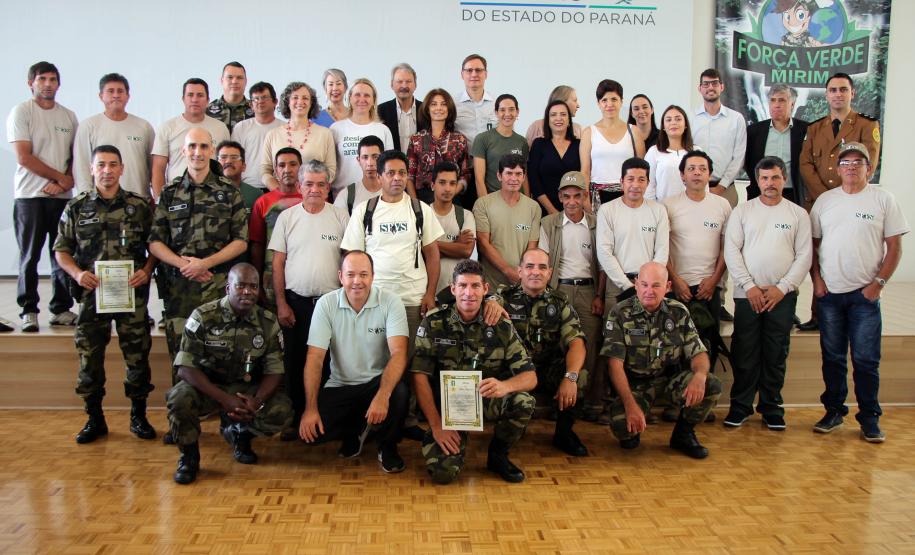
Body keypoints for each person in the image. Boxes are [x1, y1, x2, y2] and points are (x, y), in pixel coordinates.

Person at [53, 145, 157, 444]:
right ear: (92, 168)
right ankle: (94, 418)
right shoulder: (77, 207)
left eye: (113, 165)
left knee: (137, 358)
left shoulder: (138, 207)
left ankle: (139, 415)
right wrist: (76, 273)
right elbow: (61, 249)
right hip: (91, 297)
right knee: (90, 358)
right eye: (102, 165)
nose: (108, 170)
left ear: (122, 168)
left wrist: (148, 269)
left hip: (131, 296)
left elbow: (156, 245)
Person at [809, 142, 907, 443]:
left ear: (869, 167)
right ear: (838, 169)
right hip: (831, 295)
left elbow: (895, 246)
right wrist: (817, 282)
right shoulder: (825, 201)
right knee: (833, 357)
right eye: (846, 162)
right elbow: (812, 246)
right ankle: (834, 412)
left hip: (865, 296)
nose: (851, 167)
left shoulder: (883, 199)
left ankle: (869, 418)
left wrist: (879, 284)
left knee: (865, 360)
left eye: (858, 162)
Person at [412, 259, 537, 484]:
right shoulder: (434, 322)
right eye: (462, 286)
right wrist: (436, 425)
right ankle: (452, 442)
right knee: (443, 474)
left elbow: (530, 377)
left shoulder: (500, 325)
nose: (469, 293)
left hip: (482, 400)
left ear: (485, 289)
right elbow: (419, 376)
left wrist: (505, 386)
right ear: (453, 289)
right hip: (446, 407)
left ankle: (498, 455)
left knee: (523, 401)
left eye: (475, 286)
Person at [167, 263, 293, 484]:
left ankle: (240, 434)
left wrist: (257, 401)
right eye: (241, 285)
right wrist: (225, 400)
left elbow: (275, 370)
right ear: (228, 288)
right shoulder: (203, 317)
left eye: (253, 287)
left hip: (245, 390)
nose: (247, 291)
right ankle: (189, 457)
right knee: (179, 399)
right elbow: (185, 367)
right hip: (208, 387)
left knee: (282, 410)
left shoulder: (268, 322)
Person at [299, 251, 410, 474]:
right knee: (312, 436)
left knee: (399, 392)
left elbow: (399, 353)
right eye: (350, 274)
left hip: (376, 383)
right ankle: (357, 432)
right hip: (341, 386)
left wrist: (382, 395)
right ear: (340, 276)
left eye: (363, 274)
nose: (357, 281)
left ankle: (387, 446)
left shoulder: (391, 302)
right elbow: (314, 359)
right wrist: (310, 409)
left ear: (373, 276)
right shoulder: (326, 304)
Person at [148, 128, 248, 373]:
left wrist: (205, 263)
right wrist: (186, 265)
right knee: (182, 355)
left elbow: (241, 241)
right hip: (180, 288)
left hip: (218, 285)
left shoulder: (229, 192)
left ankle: (217, 406)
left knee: (220, 351)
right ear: (183, 151)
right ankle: (186, 407)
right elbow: (155, 242)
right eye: (192, 146)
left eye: (203, 146)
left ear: (212, 150)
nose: (197, 152)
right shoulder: (170, 193)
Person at [724, 156, 812, 430]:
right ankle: (740, 406)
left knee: (775, 352)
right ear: (757, 181)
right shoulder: (743, 211)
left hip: (781, 296)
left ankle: (772, 406)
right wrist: (749, 286)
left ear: (784, 179)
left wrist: (781, 288)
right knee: (745, 352)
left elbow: (804, 256)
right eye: (764, 178)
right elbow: (731, 251)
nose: (770, 183)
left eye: (775, 177)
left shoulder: (798, 214)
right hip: (746, 294)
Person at [602, 262, 721, 458]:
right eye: (645, 284)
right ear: (636, 284)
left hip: (668, 380)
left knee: (711, 384)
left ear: (667, 287)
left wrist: (699, 376)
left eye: (656, 285)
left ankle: (684, 434)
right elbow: (614, 365)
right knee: (623, 426)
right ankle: (635, 427)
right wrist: (630, 405)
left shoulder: (678, 312)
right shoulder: (620, 313)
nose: (649, 291)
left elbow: (698, 352)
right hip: (635, 385)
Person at [269, 159, 349, 440]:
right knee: (294, 362)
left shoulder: (340, 217)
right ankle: (296, 420)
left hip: (330, 305)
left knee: (330, 364)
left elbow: (348, 261)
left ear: (328, 187)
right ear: (300, 186)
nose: (315, 189)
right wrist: (281, 303)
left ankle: (325, 421)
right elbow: (277, 264)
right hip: (296, 304)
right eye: (309, 184)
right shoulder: (286, 217)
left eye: (321, 184)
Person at [798, 73, 881, 332]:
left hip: (853, 201)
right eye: (832, 90)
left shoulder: (867, 126)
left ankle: (854, 309)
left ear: (852, 93)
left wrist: (842, 193)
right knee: (819, 255)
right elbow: (805, 164)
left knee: (847, 252)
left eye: (843, 89)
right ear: (826, 94)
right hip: (820, 202)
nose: (837, 94)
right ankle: (818, 313)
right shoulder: (814, 128)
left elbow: (870, 162)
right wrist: (826, 196)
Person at [341, 150, 443, 344]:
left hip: (413, 300)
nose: (397, 178)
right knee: (376, 360)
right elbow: (351, 258)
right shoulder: (364, 210)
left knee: (412, 361)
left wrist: (430, 294)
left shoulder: (420, 209)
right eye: (390, 173)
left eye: (402, 173)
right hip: (375, 300)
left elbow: (432, 255)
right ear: (379, 177)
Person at [7, 61, 79, 331]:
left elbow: (75, 154)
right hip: (30, 196)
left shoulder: (68, 116)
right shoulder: (22, 112)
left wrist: (65, 182)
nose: (47, 84)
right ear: (31, 83)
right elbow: (24, 156)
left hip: (61, 198)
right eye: (42, 79)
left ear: (58, 84)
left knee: (61, 252)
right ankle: (28, 309)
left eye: (52, 79)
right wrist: (59, 178)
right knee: (30, 255)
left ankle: (61, 308)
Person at [496, 249, 588, 456]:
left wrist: (570, 377)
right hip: (512, 371)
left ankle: (564, 434)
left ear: (550, 272)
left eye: (542, 267)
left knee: (580, 375)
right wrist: (490, 304)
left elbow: (576, 342)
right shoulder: (502, 297)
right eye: (529, 267)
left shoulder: (559, 302)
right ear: (519, 271)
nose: (535, 272)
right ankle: (503, 438)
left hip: (546, 370)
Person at [538, 171, 606, 424]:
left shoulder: (596, 224)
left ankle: (588, 402)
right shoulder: (549, 223)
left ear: (585, 196)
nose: (572, 202)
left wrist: (599, 295)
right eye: (566, 196)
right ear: (560, 197)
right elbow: (543, 262)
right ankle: (559, 403)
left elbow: (602, 264)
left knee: (590, 346)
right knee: (558, 344)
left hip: (589, 290)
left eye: (577, 196)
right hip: (560, 290)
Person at [662, 150, 731, 382]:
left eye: (702, 168)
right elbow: (664, 249)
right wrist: (676, 280)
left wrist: (714, 281)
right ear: (682, 175)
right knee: (675, 344)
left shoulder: (722, 206)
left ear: (710, 174)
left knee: (706, 343)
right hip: (676, 287)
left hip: (708, 288)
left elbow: (726, 248)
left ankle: (703, 396)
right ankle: (678, 397)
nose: (697, 173)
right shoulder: (669, 206)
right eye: (691, 169)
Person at [595, 157, 669, 305]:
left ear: (648, 183)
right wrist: (627, 285)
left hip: (650, 288)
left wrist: (646, 284)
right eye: (630, 179)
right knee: (615, 328)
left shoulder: (658, 210)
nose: (635, 185)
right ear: (622, 181)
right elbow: (604, 252)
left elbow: (662, 251)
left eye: (641, 180)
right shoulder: (607, 210)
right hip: (617, 285)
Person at [73, 73, 154, 198]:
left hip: (138, 202)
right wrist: (86, 200)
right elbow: (81, 167)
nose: (116, 95)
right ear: (101, 96)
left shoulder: (144, 127)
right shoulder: (88, 126)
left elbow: (153, 167)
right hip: (100, 203)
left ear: (127, 96)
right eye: (110, 91)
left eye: (120, 91)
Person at [151, 78, 229, 198]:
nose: (194, 99)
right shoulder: (167, 128)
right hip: (177, 196)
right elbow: (158, 169)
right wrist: (159, 201)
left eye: (200, 95)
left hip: (212, 198)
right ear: (183, 99)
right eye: (190, 95)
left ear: (208, 100)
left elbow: (225, 165)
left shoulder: (220, 128)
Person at [473, 154, 541, 289]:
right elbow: (483, 244)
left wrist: (522, 273)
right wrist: (508, 271)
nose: (514, 179)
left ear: (524, 176)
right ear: (499, 176)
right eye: (509, 173)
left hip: (522, 284)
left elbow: (532, 247)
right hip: (491, 286)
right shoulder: (483, 204)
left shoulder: (533, 207)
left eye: (518, 174)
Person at [249, 148, 304, 312]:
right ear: (275, 170)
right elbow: (257, 244)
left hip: (303, 280)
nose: (287, 169)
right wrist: (257, 283)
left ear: (301, 167)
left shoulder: (312, 199)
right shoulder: (263, 202)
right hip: (270, 280)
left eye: (293, 164)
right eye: (282, 165)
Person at [580, 79, 646, 206]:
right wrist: (585, 202)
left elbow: (641, 170)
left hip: (628, 195)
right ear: (598, 103)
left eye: (614, 99)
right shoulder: (589, 132)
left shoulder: (634, 131)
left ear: (621, 101)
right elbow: (585, 171)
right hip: (597, 196)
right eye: (604, 100)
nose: (609, 104)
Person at [260, 81, 336, 191]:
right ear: (287, 102)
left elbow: (331, 171)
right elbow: (264, 171)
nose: (300, 101)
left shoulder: (325, 134)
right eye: (295, 97)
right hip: (280, 198)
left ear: (311, 103)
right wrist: (280, 191)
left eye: (305, 98)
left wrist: (309, 189)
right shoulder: (273, 135)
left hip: (314, 196)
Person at [690, 68, 746, 209]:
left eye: (714, 83)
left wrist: (722, 186)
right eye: (706, 84)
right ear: (700, 88)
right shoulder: (690, 118)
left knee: (727, 231)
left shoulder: (736, 119)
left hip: (726, 189)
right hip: (695, 188)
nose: (710, 87)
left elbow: (739, 157)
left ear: (721, 87)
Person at [405, 89, 472, 205]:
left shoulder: (459, 139)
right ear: (427, 108)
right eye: (434, 104)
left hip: (452, 198)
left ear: (449, 109)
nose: (439, 108)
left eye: (443, 104)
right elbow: (409, 176)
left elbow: (465, 174)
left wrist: (452, 192)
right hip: (422, 199)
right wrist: (415, 204)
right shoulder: (416, 139)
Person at [744, 84, 808, 205]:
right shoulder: (754, 131)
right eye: (773, 100)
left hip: (793, 195)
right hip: (761, 194)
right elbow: (748, 163)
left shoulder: (806, 130)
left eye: (782, 100)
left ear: (792, 104)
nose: (776, 105)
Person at [331, 78, 395, 196]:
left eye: (367, 95)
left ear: (373, 100)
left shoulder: (383, 130)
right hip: (344, 196)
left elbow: (390, 166)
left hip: (377, 196)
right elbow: (330, 166)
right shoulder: (336, 129)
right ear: (349, 98)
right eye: (357, 95)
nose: (362, 99)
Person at [429, 161, 476, 294]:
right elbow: (418, 252)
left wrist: (430, 246)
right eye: (442, 182)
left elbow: (466, 250)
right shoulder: (422, 214)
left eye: (452, 183)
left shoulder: (465, 215)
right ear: (433, 185)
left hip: (459, 294)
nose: (448, 188)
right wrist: (456, 244)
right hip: (427, 292)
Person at [471, 94, 529, 198]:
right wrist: (485, 206)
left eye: (511, 109)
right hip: (493, 201)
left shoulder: (522, 141)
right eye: (502, 110)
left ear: (517, 112)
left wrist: (528, 203)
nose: (507, 114)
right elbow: (479, 179)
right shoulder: (482, 139)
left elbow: (524, 176)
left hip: (518, 200)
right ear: (496, 112)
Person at [529, 100, 581, 215]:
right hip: (545, 210)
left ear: (569, 120)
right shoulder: (538, 144)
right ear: (548, 120)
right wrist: (551, 210)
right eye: (553, 115)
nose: (558, 118)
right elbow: (534, 181)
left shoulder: (579, 145)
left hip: (575, 209)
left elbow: (585, 177)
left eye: (563, 114)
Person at [231, 81, 284, 191]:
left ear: (275, 102)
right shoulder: (241, 128)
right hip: (248, 187)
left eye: (264, 97)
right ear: (251, 105)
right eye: (256, 99)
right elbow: (234, 158)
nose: (260, 102)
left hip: (277, 188)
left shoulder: (285, 128)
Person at [645, 105, 697, 200]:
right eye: (668, 120)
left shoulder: (697, 151)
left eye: (678, 119)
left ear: (685, 125)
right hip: (663, 209)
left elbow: (703, 185)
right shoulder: (654, 151)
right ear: (663, 126)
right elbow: (649, 185)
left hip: (691, 207)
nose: (673, 123)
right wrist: (653, 209)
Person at [454, 54, 496, 150]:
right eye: (469, 70)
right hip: (463, 163)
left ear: (485, 74)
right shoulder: (452, 104)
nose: (474, 74)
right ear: (462, 75)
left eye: (478, 70)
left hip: (492, 162)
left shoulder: (497, 103)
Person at [378, 63, 422, 154]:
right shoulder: (380, 111)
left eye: (408, 81)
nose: (404, 86)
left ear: (415, 85)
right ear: (391, 85)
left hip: (420, 167)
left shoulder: (426, 110)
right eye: (399, 81)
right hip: (393, 166)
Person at [334, 135, 384, 214]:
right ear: (358, 160)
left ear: (383, 159)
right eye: (365, 157)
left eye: (375, 157)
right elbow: (337, 224)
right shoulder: (347, 195)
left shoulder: (394, 193)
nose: (370, 163)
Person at [206, 61, 254, 134]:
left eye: (239, 78)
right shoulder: (207, 111)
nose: (234, 81)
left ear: (246, 81)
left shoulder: (256, 110)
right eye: (230, 77)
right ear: (222, 81)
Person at [216, 141, 263, 214]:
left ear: (243, 166)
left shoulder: (256, 195)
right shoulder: (205, 193)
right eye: (223, 157)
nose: (228, 161)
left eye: (234, 157)